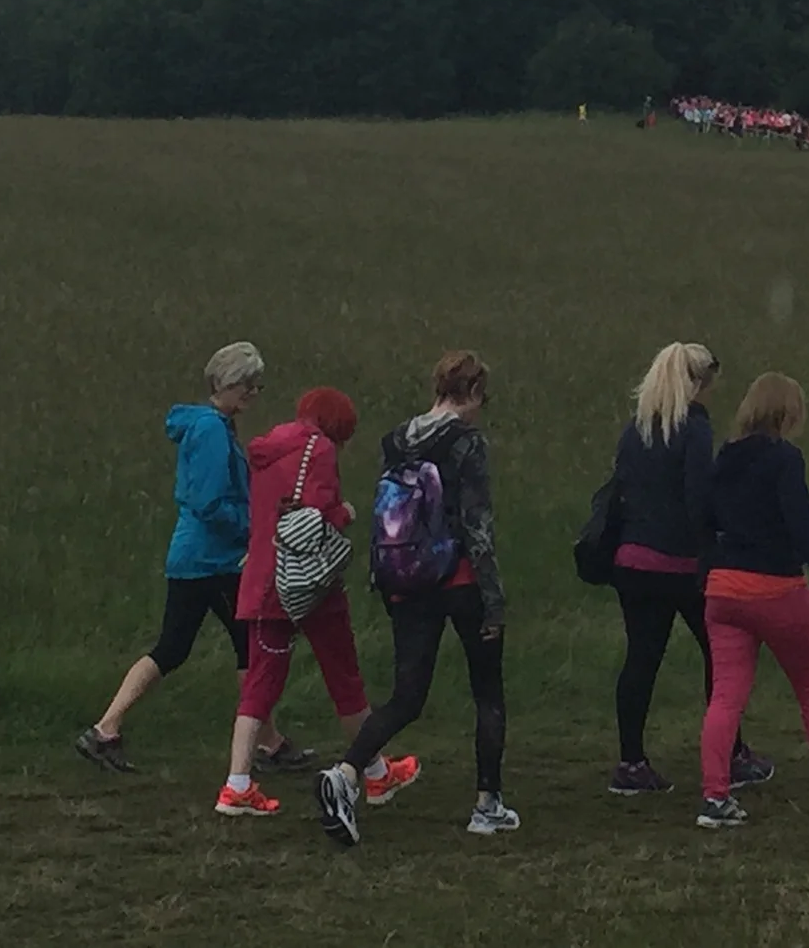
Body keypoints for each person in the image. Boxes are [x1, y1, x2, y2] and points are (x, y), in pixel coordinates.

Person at [315, 352, 520, 844]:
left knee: (407, 696)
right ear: (473, 392)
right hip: (461, 579)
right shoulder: (468, 442)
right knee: (487, 692)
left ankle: (345, 774)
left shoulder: (396, 441)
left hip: (406, 579)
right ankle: (487, 805)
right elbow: (477, 524)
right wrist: (493, 598)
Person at [78, 343, 309, 775]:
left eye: (256, 385)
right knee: (248, 647)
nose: (253, 393)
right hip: (213, 560)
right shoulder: (212, 431)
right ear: (228, 384)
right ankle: (266, 744)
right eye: (248, 384)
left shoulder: (209, 426)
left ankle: (105, 730)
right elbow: (209, 503)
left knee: (176, 647)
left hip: (196, 557)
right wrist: (255, 527)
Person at [693, 374, 809, 829]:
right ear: (788, 412)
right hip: (777, 589)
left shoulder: (724, 457)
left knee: (725, 697)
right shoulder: (785, 459)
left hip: (723, 590)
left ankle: (715, 796)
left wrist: (709, 569)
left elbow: (703, 518)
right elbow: (801, 524)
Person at [218, 389, 408, 819]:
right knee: (344, 678)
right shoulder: (318, 449)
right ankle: (376, 772)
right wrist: (346, 513)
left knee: (260, 683)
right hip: (309, 584)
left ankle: (237, 784)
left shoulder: (266, 449)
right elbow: (318, 512)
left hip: (264, 580)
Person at [602, 342, 771, 796]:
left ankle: (631, 762)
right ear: (697, 383)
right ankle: (731, 754)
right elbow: (699, 497)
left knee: (641, 659)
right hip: (682, 566)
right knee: (721, 655)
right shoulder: (694, 427)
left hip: (632, 562)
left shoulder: (636, 428)